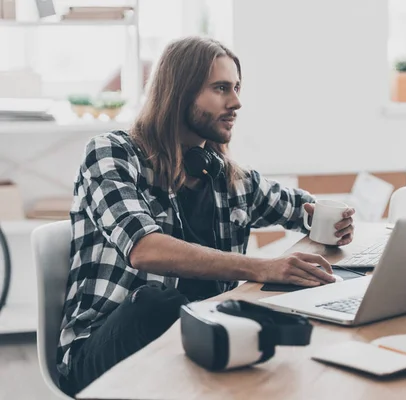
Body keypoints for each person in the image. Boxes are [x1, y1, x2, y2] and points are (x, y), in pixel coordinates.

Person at [57, 36, 355, 396]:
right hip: (101, 352)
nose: (236, 102)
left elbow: (300, 208)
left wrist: (329, 222)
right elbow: (145, 250)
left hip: (203, 339)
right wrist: (260, 266)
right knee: (157, 303)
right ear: (179, 93)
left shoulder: (225, 176)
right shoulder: (111, 154)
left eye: (237, 88)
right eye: (221, 88)